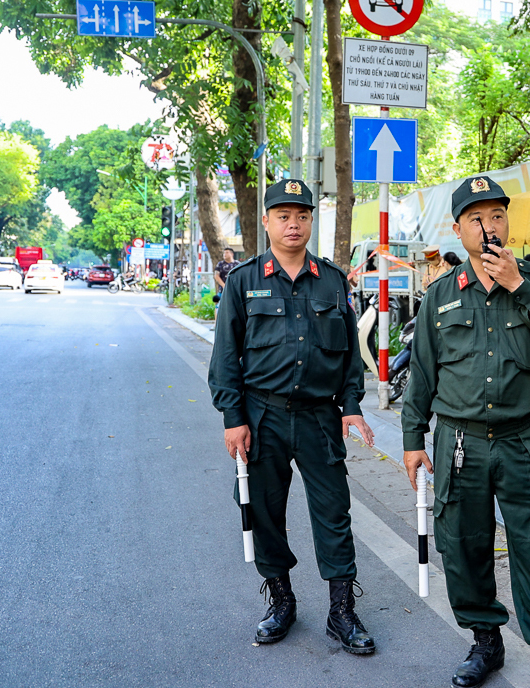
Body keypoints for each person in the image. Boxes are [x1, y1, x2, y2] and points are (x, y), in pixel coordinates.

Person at [401, 175, 530, 688]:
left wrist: (518, 288)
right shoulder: (441, 295)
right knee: (463, 546)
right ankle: (485, 641)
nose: (489, 227)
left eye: (497, 216)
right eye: (476, 218)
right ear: (459, 229)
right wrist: (413, 439)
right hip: (459, 440)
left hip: (521, 439)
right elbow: (423, 374)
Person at [208, 178, 379, 653]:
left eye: (302, 215)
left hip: (319, 418)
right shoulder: (244, 280)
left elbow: (350, 356)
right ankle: (281, 601)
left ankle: (341, 612)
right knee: (265, 511)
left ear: (311, 221)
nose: (293, 224)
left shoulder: (331, 280)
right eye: (283, 215)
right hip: (261, 415)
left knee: (334, 513)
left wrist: (351, 408)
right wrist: (232, 417)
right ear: (266, 222)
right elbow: (225, 357)